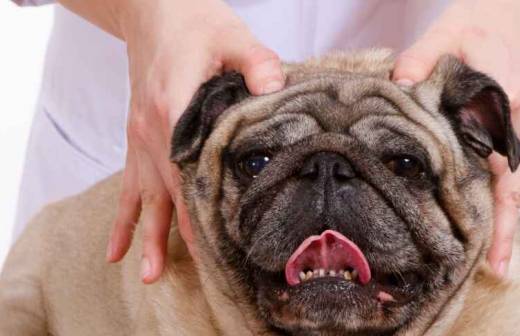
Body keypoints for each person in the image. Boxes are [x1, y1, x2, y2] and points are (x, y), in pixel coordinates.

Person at [12, 0, 520, 284]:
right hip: (141, 96)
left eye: (402, 162)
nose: (328, 182)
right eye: (257, 160)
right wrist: (144, 10)